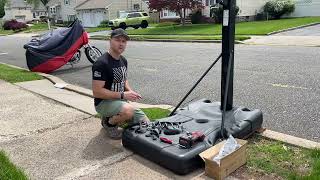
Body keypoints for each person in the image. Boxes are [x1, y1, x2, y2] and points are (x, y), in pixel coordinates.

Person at [92, 28, 149, 139]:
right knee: (128, 111)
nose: (121, 44)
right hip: (103, 103)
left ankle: (117, 117)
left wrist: (129, 91)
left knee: (145, 122)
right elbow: (97, 92)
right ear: (110, 41)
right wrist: (123, 95)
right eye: (118, 40)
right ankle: (109, 123)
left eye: (124, 41)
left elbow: (123, 79)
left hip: (119, 100)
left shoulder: (123, 60)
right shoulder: (101, 63)